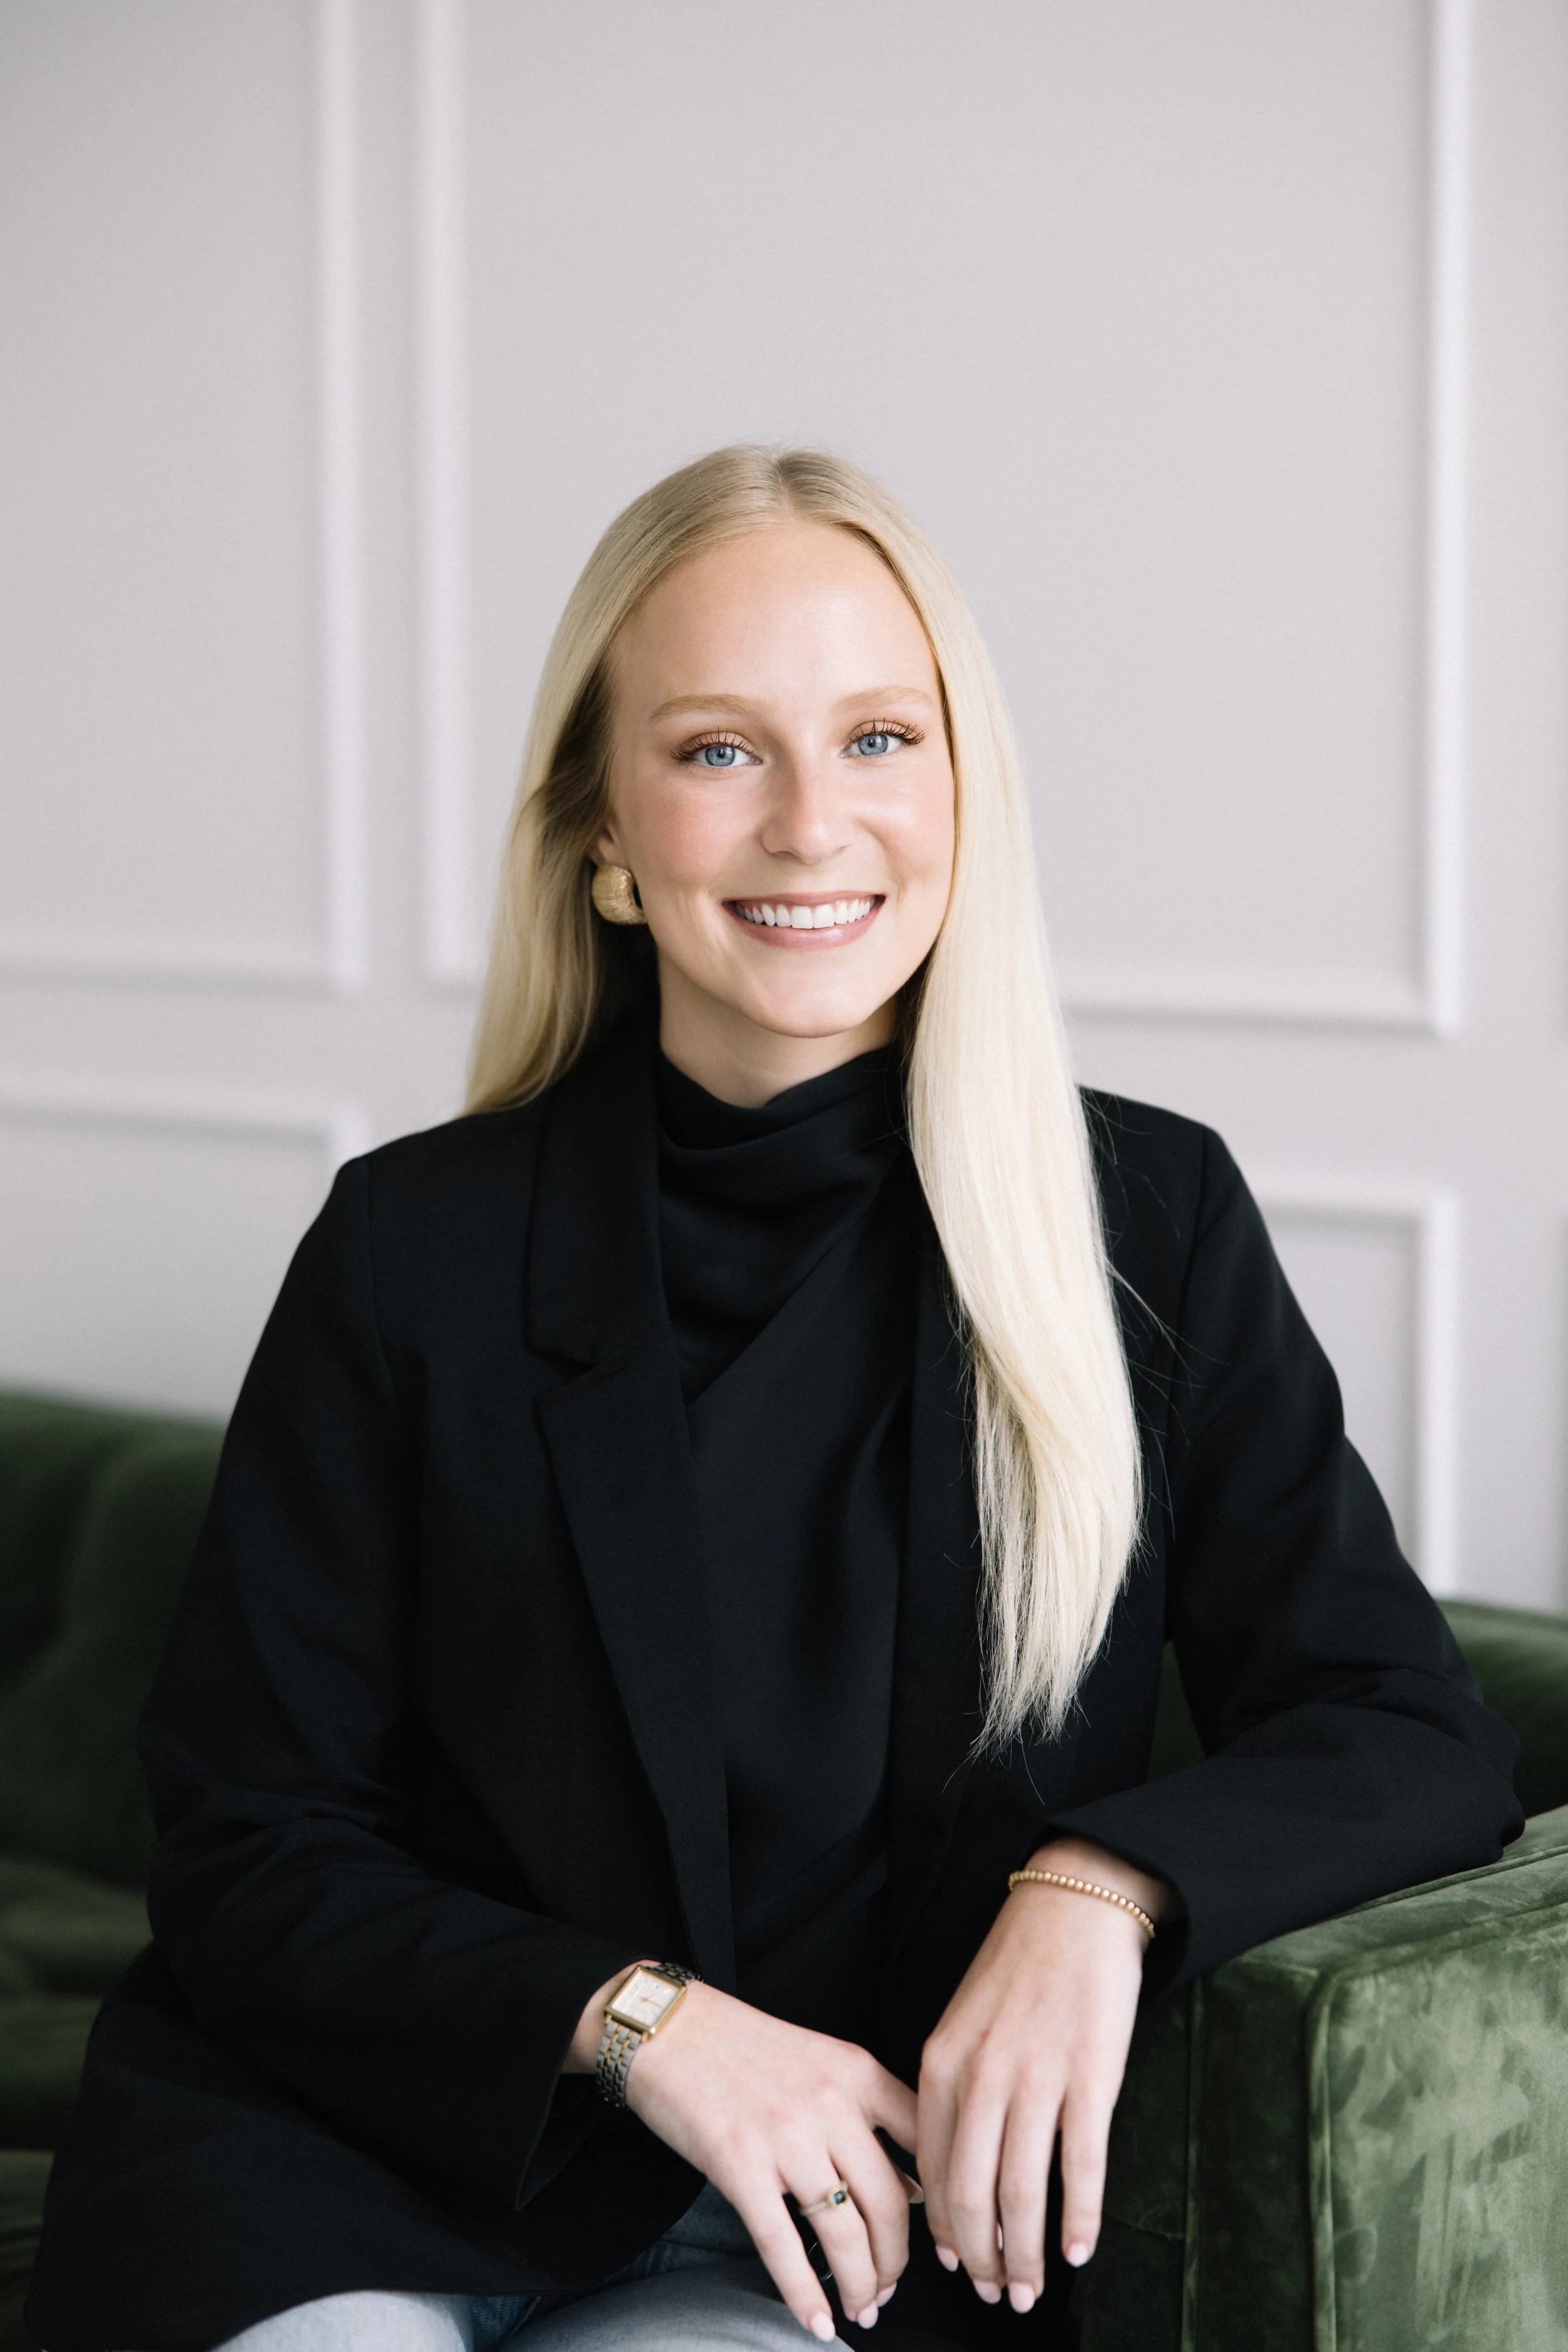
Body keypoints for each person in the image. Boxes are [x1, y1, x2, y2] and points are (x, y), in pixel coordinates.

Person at [27, 447, 1520, 2352]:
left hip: (838, 2219)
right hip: (357, 2152)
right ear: (603, 828)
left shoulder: (1148, 1219)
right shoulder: (408, 1244)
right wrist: (641, 2024)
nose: (814, 824)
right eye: (721, 749)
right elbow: (249, 1842)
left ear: (963, 789)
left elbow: (1401, 1720)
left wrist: (1096, 1887)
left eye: (880, 737)